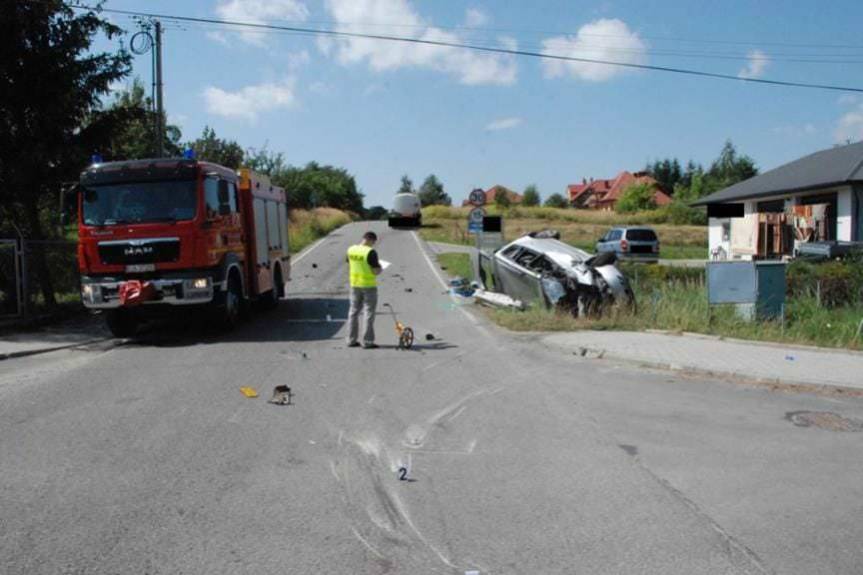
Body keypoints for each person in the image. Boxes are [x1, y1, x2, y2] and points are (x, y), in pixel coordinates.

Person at [346, 231, 383, 349]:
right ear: (372, 240)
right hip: (368, 286)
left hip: (354, 284)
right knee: (368, 313)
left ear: (363, 238)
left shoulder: (351, 249)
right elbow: (375, 271)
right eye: (373, 242)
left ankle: (351, 340)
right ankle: (368, 342)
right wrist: (381, 268)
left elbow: (349, 262)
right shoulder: (370, 252)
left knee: (353, 312)